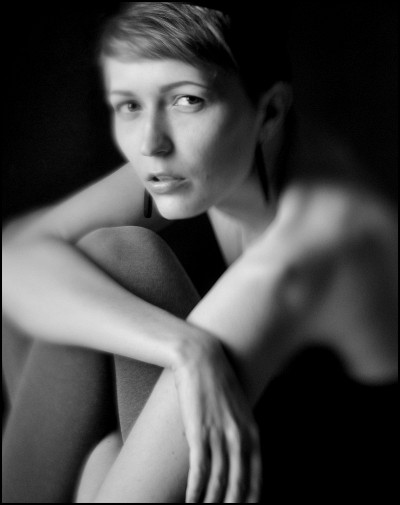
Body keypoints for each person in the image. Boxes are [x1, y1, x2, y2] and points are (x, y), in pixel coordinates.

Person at [2, 2, 397, 503]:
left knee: (114, 265)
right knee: (97, 263)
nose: (150, 143)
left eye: (187, 100)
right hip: (239, 450)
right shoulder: (229, 159)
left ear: (269, 110)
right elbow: (15, 255)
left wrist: (98, 463)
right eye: (129, 105)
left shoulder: (302, 252)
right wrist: (183, 347)